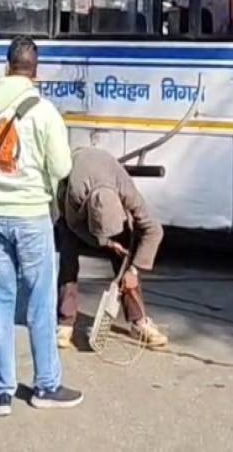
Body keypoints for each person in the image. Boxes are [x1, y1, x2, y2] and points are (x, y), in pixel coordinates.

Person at [0, 35, 82, 417]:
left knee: (1, 304)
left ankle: (1, 393)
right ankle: (45, 386)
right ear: (35, 70)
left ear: (7, 66)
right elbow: (61, 167)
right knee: (40, 305)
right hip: (32, 218)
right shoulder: (45, 112)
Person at [56, 146, 168, 349]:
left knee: (124, 258)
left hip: (104, 175)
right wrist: (105, 243)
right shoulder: (76, 192)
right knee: (68, 258)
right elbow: (74, 225)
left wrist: (134, 270)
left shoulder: (127, 191)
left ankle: (139, 322)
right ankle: (65, 322)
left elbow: (154, 230)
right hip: (74, 203)